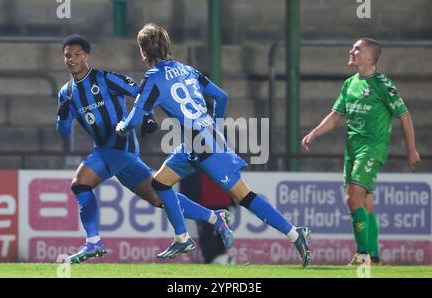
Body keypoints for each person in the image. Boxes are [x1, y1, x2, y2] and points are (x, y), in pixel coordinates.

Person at [116, 23, 311, 267]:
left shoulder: (152, 79)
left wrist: (121, 127)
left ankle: (294, 233)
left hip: (202, 144)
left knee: (243, 196)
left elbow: (134, 119)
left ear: (143, 52)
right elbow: (221, 96)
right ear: (167, 47)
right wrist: (214, 126)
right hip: (198, 140)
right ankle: (182, 237)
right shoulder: (188, 70)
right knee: (159, 183)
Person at [57, 34, 233, 264]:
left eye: (77, 54)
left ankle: (93, 242)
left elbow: (140, 93)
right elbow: (63, 130)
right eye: (68, 56)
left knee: (80, 183)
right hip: (108, 151)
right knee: (158, 198)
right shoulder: (66, 93)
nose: (72, 59)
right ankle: (214, 217)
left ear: (87, 56)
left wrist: (148, 116)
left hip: (120, 148)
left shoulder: (105, 78)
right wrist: (62, 119)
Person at [301, 38, 420, 265]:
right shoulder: (349, 84)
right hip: (352, 149)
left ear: (370, 56)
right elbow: (336, 115)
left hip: (373, 147)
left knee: (352, 197)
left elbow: (404, 115)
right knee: (366, 203)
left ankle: (362, 255)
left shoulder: (383, 84)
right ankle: (373, 257)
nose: (352, 51)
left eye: (357, 49)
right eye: (353, 48)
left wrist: (411, 149)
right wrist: (314, 133)